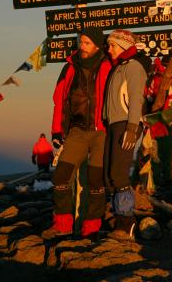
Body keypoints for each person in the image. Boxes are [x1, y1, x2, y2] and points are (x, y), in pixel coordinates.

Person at [42, 26, 111, 240]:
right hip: (76, 131)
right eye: (81, 42)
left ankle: (91, 227)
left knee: (95, 180)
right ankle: (62, 224)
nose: (82, 46)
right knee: (61, 177)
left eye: (87, 43)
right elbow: (58, 100)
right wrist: (56, 130)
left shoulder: (110, 66)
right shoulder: (70, 68)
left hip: (102, 131)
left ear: (98, 45)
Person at [103, 29, 150, 240]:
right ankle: (118, 220)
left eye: (112, 45)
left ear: (122, 46)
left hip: (127, 125)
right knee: (110, 175)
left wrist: (132, 128)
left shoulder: (133, 67)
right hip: (114, 124)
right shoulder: (118, 68)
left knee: (119, 173)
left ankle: (127, 222)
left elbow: (136, 98)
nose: (109, 49)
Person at [144, 56, 172, 184]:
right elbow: (151, 98)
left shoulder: (160, 78)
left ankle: (161, 178)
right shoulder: (159, 79)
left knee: (161, 151)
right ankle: (159, 180)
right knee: (159, 151)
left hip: (162, 120)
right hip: (158, 120)